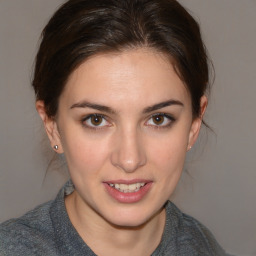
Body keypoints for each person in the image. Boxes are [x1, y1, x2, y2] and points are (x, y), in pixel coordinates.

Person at [0, 0, 229, 255]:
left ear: (193, 126)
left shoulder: (205, 248)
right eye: (96, 120)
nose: (129, 160)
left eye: (158, 119)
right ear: (52, 126)